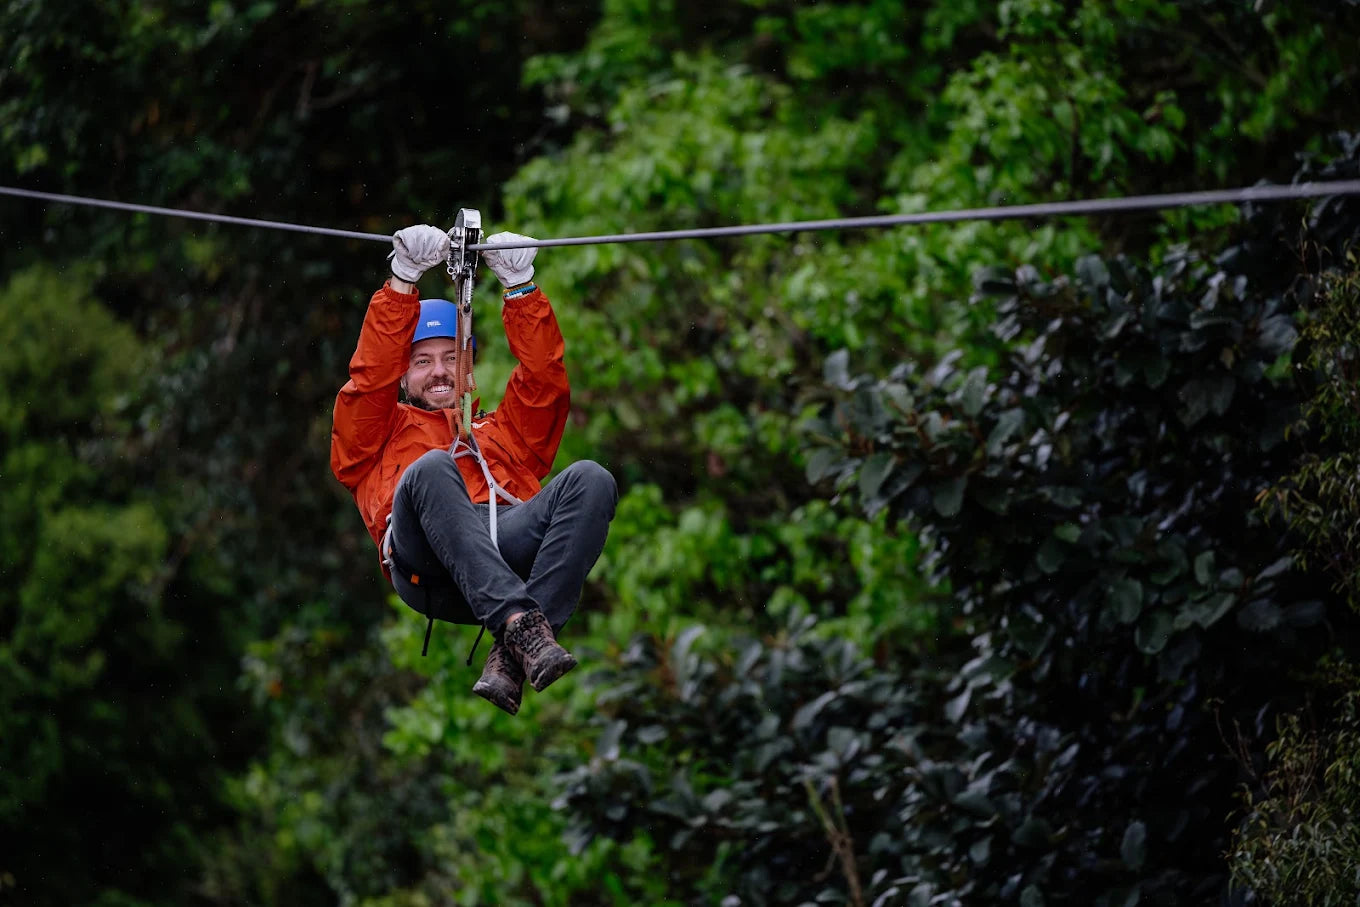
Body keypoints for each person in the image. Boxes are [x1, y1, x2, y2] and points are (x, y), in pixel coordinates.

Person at [330, 224, 617, 715]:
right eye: (422, 361)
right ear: (403, 374)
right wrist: (401, 283)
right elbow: (368, 378)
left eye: (450, 358)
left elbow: (546, 387)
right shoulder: (375, 434)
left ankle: (513, 649)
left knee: (592, 479)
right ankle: (522, 625)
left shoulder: (499, 435)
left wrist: (521, 288)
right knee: (432, 468)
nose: (439, 371)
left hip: (499, 551)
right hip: (425, 563)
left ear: (468, 365)